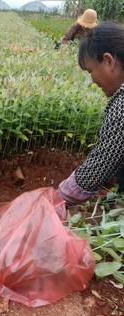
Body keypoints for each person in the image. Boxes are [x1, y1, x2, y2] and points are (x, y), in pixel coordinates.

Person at [58, 21, 124, 207]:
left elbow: (101, 164)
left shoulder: (122, 105)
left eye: (90, 71)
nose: (92, 80)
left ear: (108, 61)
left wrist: (59, 198)